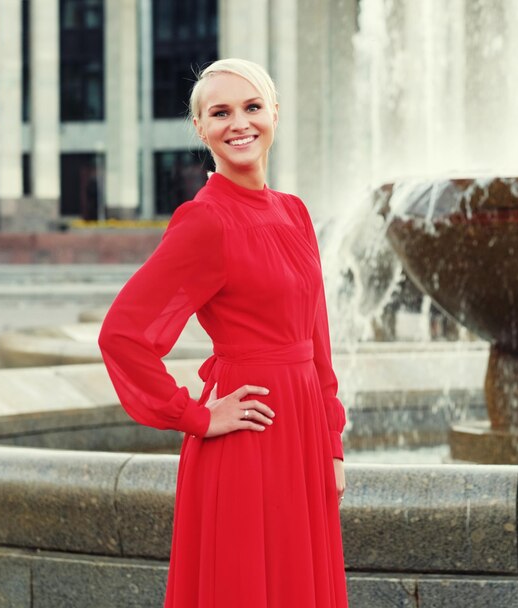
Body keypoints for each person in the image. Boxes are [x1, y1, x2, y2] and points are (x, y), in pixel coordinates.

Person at [98, 58, 348, 608]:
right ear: (201, 128)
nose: (239, 123)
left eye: (252, 107)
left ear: (274, 114)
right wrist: (196, 415)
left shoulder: (294, 212)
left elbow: (316, 334)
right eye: (221, 112)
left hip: (302, 428)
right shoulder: (204, 220)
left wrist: (331, 441)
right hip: (246, 435)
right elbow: (122, 335)